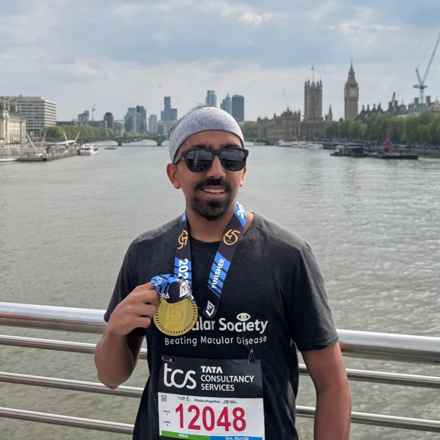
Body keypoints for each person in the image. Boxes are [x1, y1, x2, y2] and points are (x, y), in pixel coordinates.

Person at [95, 106, 351, 440]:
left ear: (243, 172)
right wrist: (114, 332)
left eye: (231, 158)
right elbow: (111, 376)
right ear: (174, 174)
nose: (216, 170)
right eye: (199, 158)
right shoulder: (144, 252)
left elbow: (332, 385)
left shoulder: (288, 255)